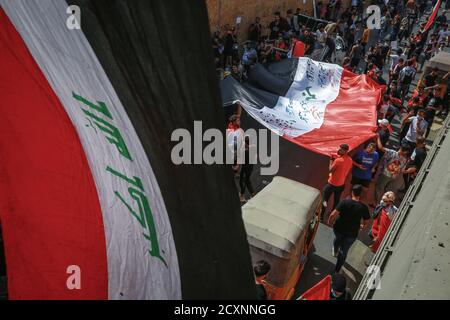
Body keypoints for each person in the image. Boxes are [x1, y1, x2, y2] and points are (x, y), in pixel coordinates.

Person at [328, 184, 370, 273]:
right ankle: (337, 270)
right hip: (352, 233)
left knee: (337, 239)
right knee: (344, 251)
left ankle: (335, 251)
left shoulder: (344, 202)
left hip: (339, 228)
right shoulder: (363, 208)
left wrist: (329, 220)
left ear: (352, 192)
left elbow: (333, 214)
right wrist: (362, 226)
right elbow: (366, 221)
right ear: (360, 194)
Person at [320, 144, 353, 220]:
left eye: (340, 150)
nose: (338, 151)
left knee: (325, 200)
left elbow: (330, 170)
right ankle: (332, 214)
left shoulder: (338, 160)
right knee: (336, 200)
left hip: (331, 184)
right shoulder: (350, 160)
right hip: (341, 185)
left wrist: (331, 161)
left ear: (345, 151)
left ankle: (321, 215)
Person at [374, 136, 410, 203]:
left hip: (385, 174)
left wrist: (378, 137)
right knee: (387, 189)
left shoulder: (392, 152)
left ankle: (377, 202)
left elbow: (380, 148)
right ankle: (384, 201)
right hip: (393, 177)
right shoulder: (404, 160)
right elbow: (401, 170)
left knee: (379, 187)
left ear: (400, 148)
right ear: (405, 152)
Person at [239, 136, 256, 203]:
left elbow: (241, 160)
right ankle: (253, 194)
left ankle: (242, 197)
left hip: (245, 168)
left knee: (242, 182)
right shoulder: (253, 148)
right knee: (247, 181)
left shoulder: (245, 152)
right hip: (250, 167)